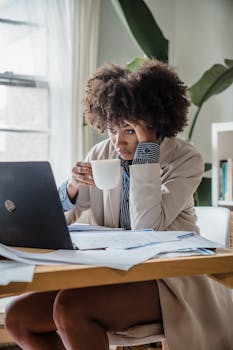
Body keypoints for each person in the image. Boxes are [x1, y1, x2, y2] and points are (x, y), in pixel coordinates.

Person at [4, 60, 233, 350]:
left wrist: (146, 150)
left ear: (153, 123)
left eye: (128, 130)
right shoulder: (101, 153)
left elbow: (147, 226)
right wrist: (73, 187)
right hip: (112, 271)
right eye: (112, 130)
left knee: (71, 308)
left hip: (170, 280)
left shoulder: (185, 159)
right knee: (18, 317)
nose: (117, 142)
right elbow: (61, 219)